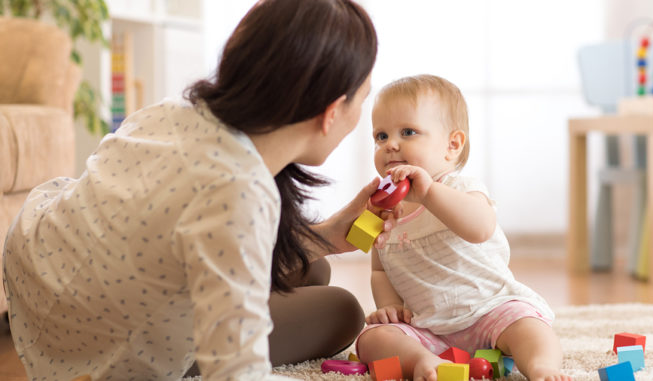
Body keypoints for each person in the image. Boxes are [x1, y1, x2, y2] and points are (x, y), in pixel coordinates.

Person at [2, 0, 391, 379]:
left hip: (44, 266)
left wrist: (328, 235)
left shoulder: (185, 108)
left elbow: (208, 235)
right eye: (363, 97)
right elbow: (236, 370)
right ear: (331, 111)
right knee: (342, 311)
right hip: (94, 341)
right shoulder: (238, 193)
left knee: (314, 265)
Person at [356, 75, 571, 381]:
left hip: (491, 311)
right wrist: (390, 306)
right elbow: (380, 269)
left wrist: (429, 193)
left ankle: (541, 368)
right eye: (380, 136)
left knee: (529, 325)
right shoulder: (383, 210)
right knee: (372, 338)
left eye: (407, 132)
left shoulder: (459, 188)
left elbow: (481, 228)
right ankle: (424, 361)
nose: (390, 145)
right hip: (429, 327)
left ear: (452, 145)